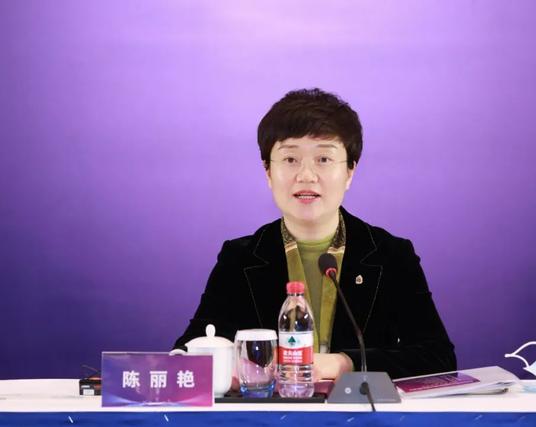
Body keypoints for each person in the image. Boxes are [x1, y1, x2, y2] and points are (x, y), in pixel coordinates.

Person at [173, 88, 456, 380]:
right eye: (290, 159)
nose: (306, 175)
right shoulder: (240, 258)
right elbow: (189, 348)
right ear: (268, 171)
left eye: (323, 159)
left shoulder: (390, 255)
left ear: (350, 172)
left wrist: (343, 363)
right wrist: (228, 369)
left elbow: (438, 357)